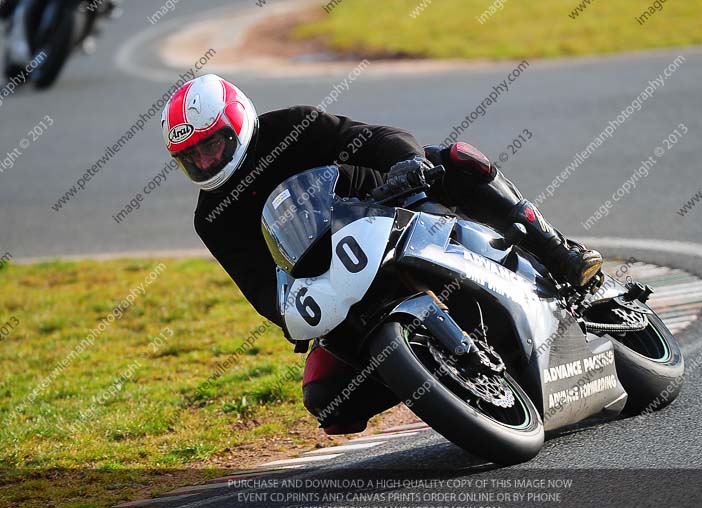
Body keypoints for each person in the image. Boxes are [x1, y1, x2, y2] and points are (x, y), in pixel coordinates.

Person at [162, 74, 603, 435]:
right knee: (326, 398)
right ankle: (443, 380)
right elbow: (260, 287)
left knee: (455, 160)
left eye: (211, 144)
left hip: (392, 211)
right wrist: (289, 312)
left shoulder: (293, 127)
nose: (204, 160)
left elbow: (376, 137)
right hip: (332, 282)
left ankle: (559, 252)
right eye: (191, 156)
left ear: (237, 122)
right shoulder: (211, 218)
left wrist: (407, 163)